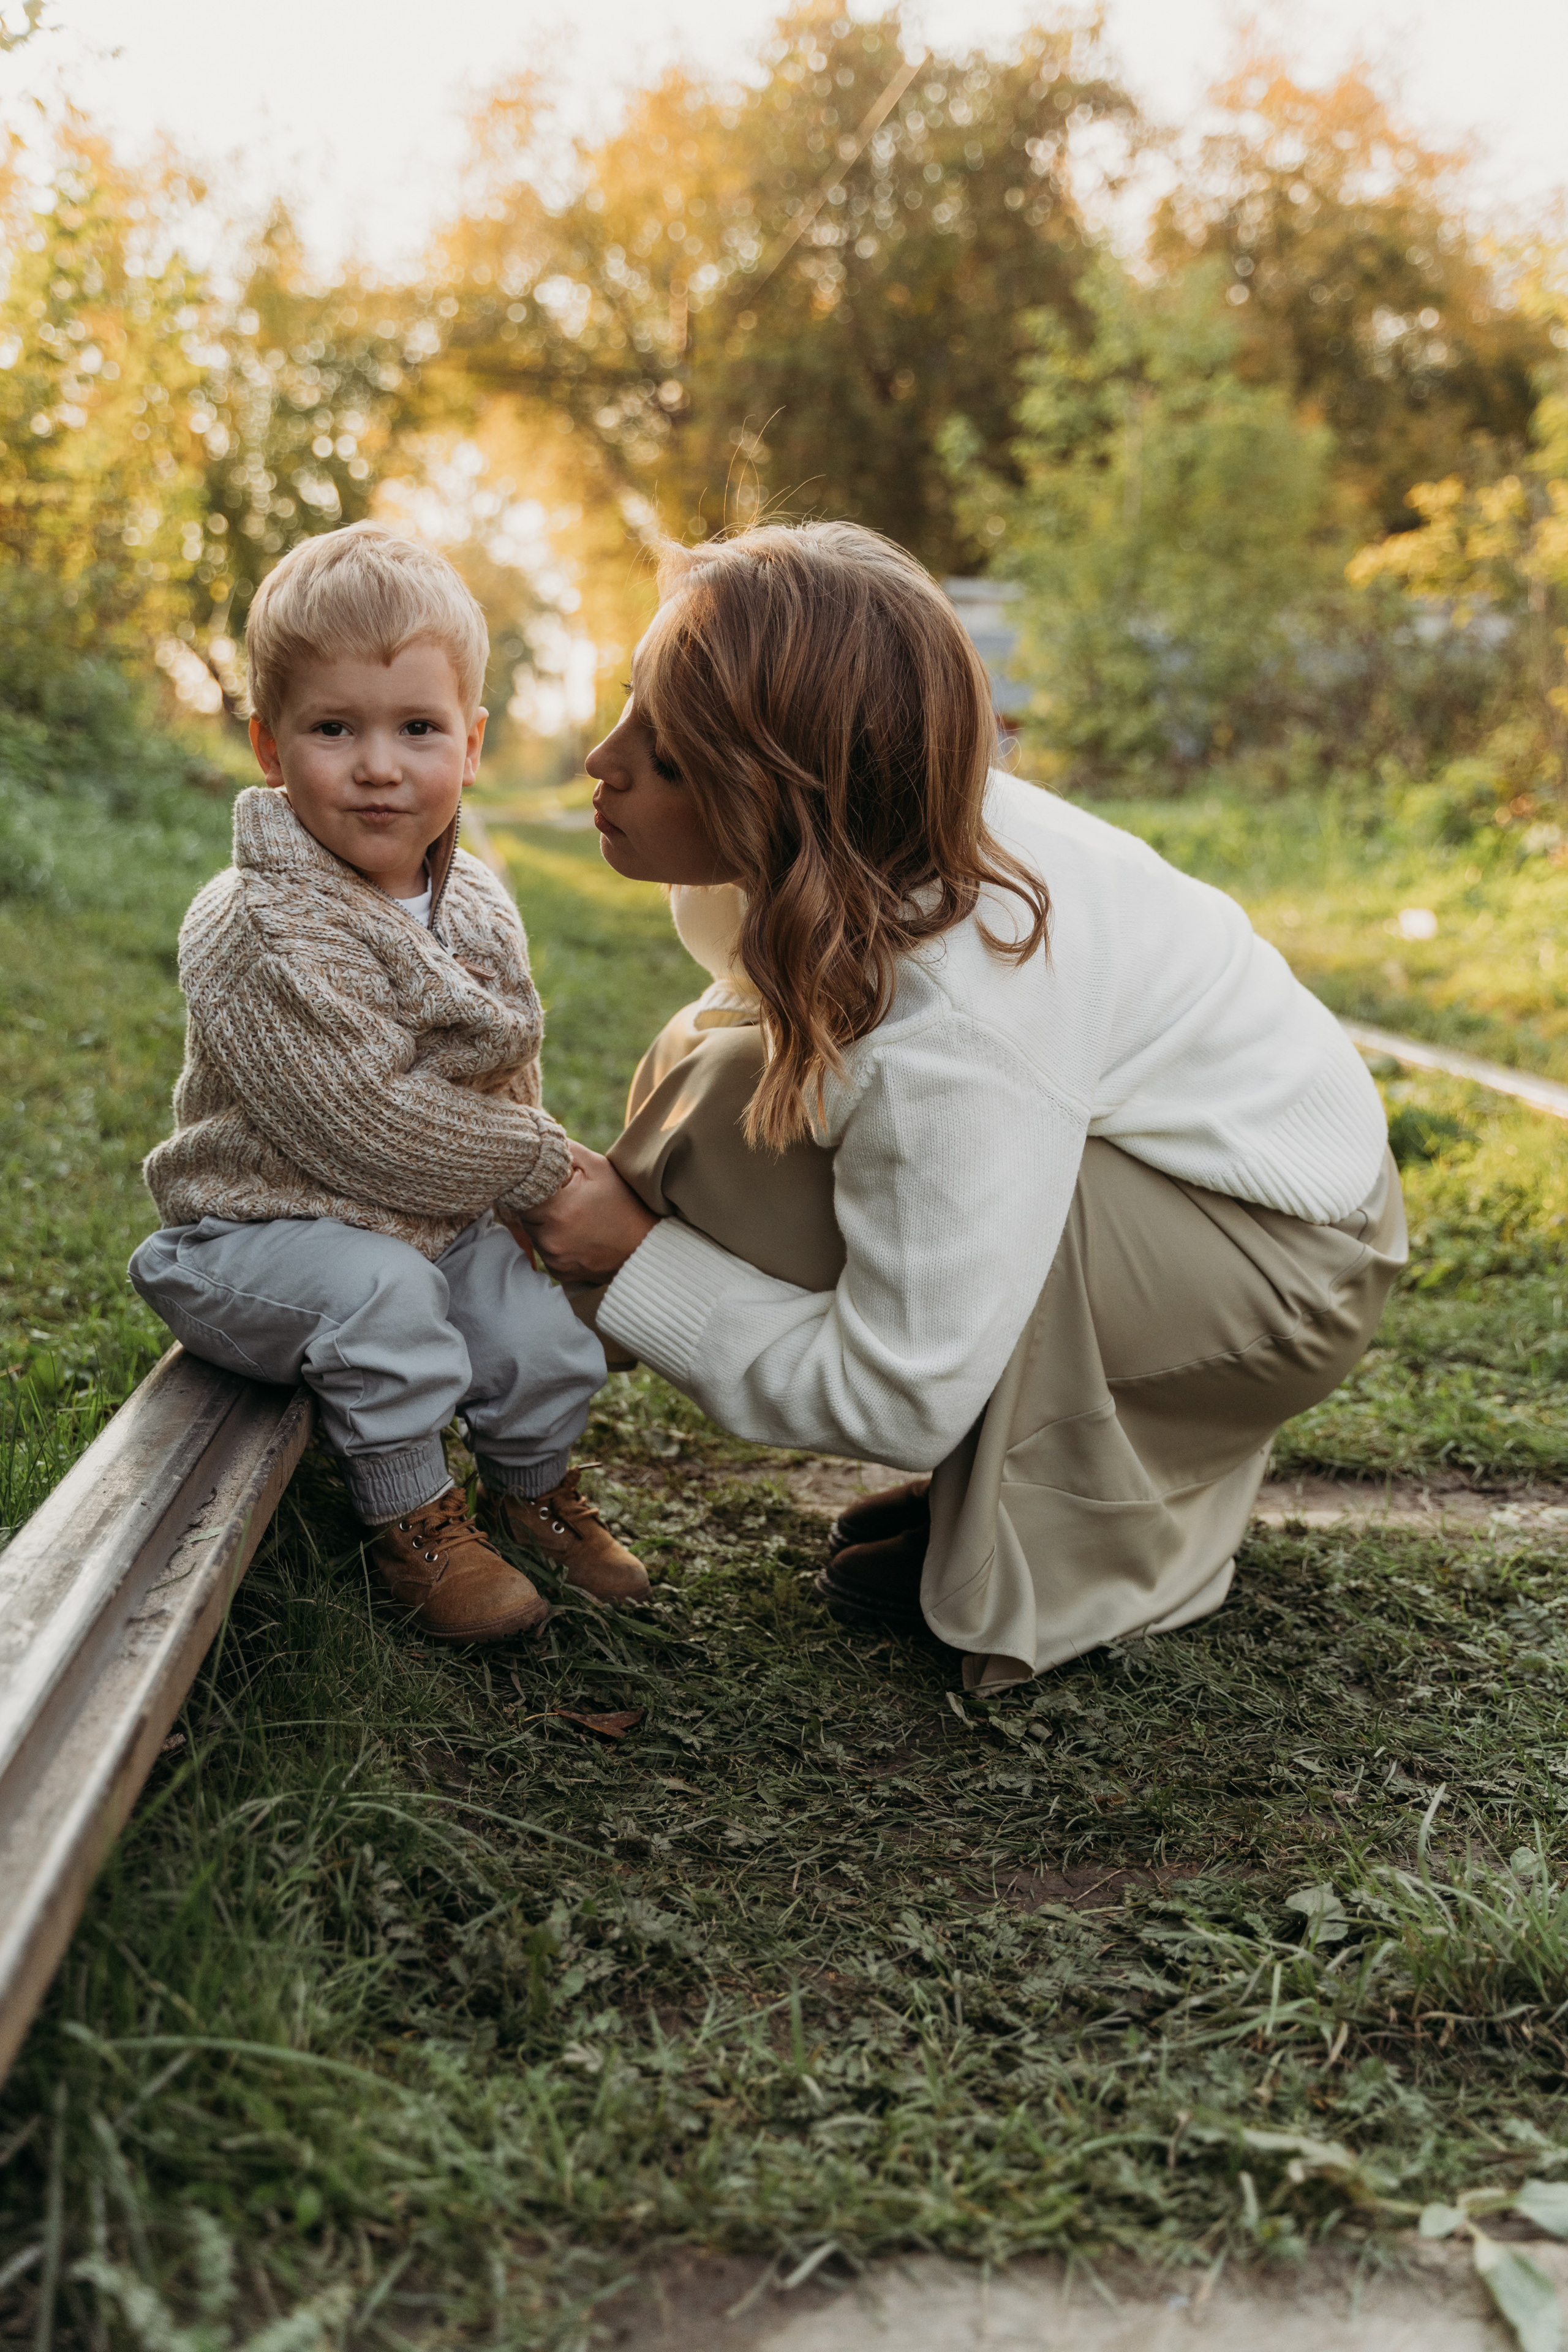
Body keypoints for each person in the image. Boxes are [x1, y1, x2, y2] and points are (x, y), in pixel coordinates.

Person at [518, 521, 1405, 1692]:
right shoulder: (832, 859)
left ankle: (1077, 1527)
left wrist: (640, 1266)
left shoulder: (956, 1008)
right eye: (632, 704)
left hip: (1286, 1264)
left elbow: (899, 1390)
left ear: (788, 797)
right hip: (1187, 1178)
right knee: (728, 1081)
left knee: (740, 1118)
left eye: (671, 760)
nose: (602, 758)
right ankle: (992, 1475)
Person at [130, 522, 648, 1643]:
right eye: (334, 728)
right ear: (272, 747)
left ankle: (534, 1489)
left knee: (532, 1315)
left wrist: (517, 1201)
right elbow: (366, 1126)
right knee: (383, 1300)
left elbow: (503, 1064)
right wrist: (545, 1166)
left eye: (416, 728)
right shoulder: (256, 923)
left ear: (470, 743)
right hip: (257, 1234)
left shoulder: (470, 890)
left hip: (422, 1216)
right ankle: (414, 1518)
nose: (378, 764)